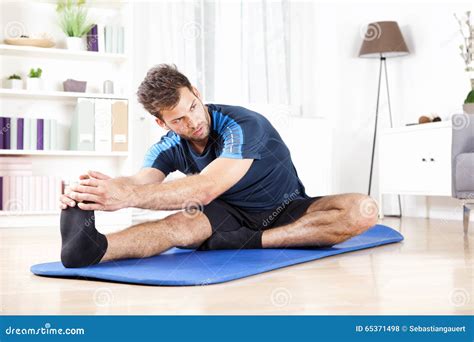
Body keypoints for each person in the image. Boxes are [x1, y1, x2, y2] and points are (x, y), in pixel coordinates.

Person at [58, 64, 378, 268]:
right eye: (179, 119)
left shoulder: (242, 125)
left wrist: (126, 197)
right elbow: (142, 179)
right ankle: (94, 249)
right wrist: (96, 190)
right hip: (229, 215)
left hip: (287, 208)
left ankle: (256, 241)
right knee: (177, 227)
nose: (193, 121)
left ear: (196, 93)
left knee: (363, 209)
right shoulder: (169, 145)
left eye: (193, 107)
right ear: (161, 122)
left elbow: (206, 188)